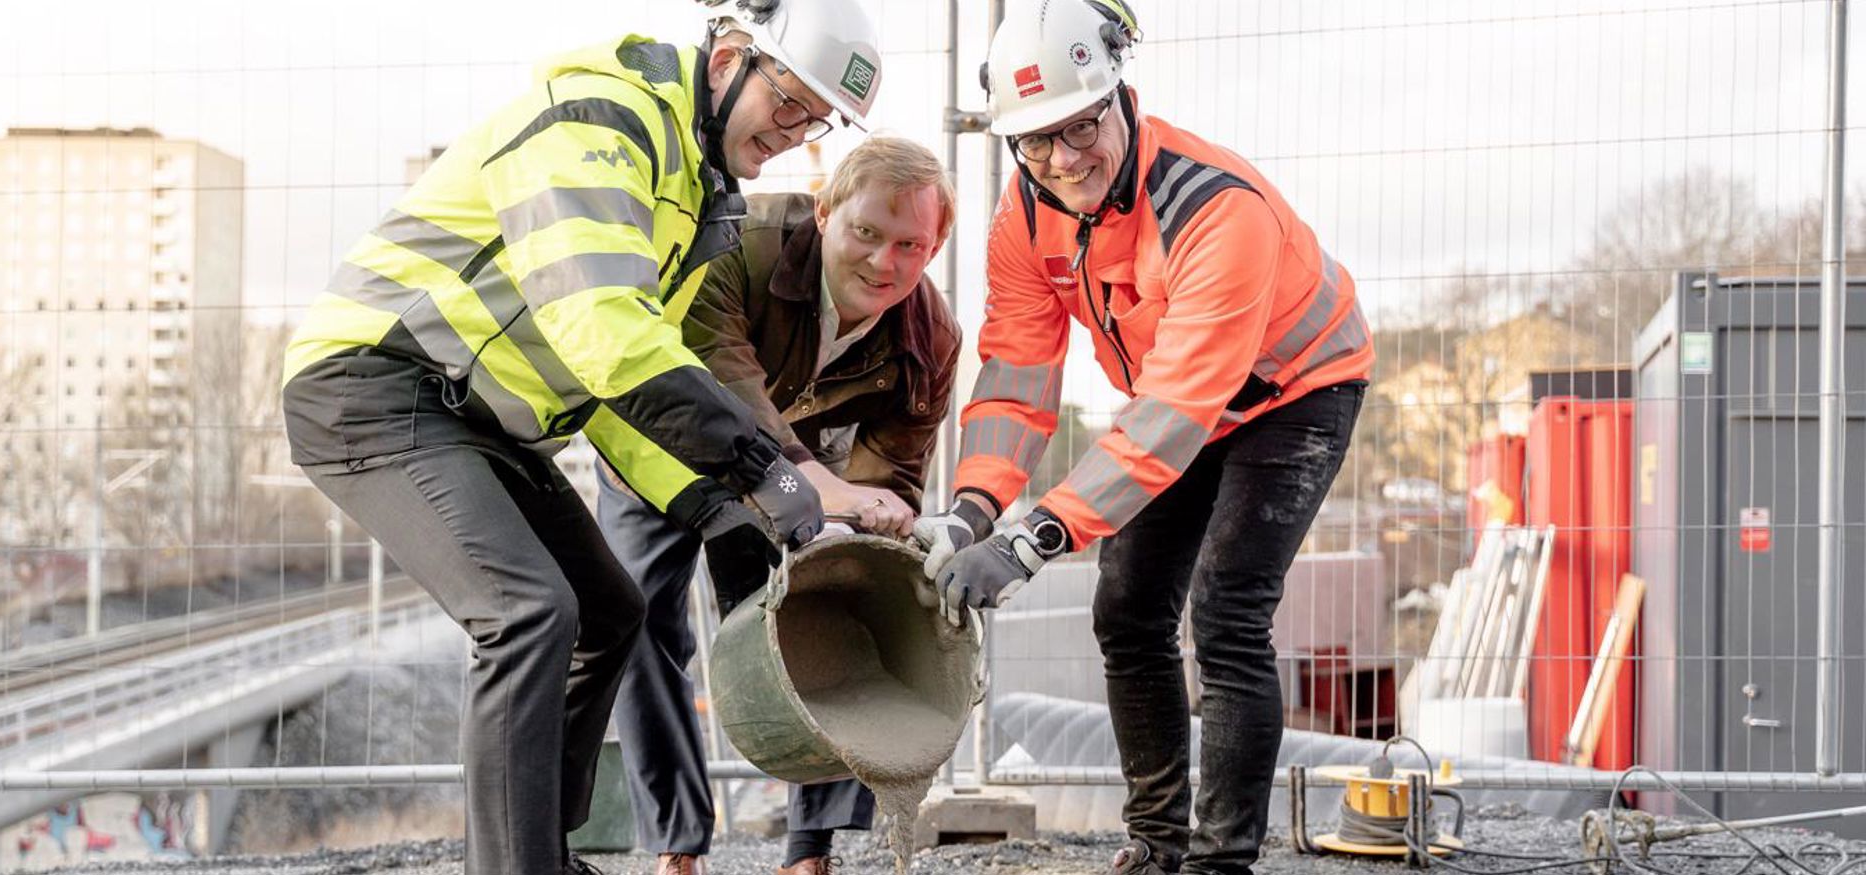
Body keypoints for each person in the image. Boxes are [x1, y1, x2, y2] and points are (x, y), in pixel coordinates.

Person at [278, 1, 885, 871]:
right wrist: (767, 469)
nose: (795, 132)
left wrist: (734, 507)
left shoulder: (694, 184)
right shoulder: (601, 117)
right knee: (527, 611)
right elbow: (605, 335)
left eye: (817, 119)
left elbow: (628, 394)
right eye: (789, 102)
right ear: (730, 60)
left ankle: (542, 851)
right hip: (375, 380)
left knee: (610, 611)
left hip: (477, 415)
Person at [911, 2, 1376, 874]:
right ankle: (1158, 842)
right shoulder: (1027, 211)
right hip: (1182, 400)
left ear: (1120, 94)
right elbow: (1017, 367)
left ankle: (1220, 859)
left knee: (1229, 608)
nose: (1064, 159)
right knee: (1125, 608)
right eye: (1035, 141)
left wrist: (1029, 540)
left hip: (1298, 389)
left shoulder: (1214, 210)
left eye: (1080, 126)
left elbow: (1171, 418)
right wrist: (973, 510)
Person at [597, 134, 960, 875]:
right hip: (665, 437)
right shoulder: (741, 242)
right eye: (866, 232)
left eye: (910, 244)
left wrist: (867, 513)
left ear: (936, 244)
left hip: (799, 469)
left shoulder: (933, 335)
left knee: (824, 601)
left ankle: (809, 849)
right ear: (825, 211)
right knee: (637, 620)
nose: (884, 263)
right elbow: (721, 373)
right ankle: (677, 842)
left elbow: (892, 462)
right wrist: (810, 481)